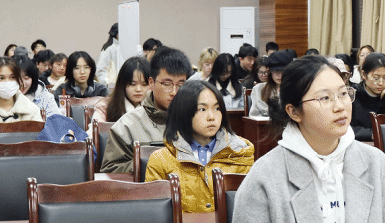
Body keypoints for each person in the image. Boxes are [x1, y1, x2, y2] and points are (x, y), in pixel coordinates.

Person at [231, 55, 385, 223]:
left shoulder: (376, 164)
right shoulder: (265, 176)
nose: (340, 106)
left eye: (343, 94)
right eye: (325, 98)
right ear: (294, 112)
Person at [145, 80, 254, 213]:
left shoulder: (240, 154)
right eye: (202, 109)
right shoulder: (160, 160)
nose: (211, 117)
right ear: (183, 112)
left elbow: (250, 209)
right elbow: (156, 215)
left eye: (217, 108)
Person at [101, 47, 190, 175]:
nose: (174, 92)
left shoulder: (196, 120)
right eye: (167, 84)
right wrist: (151, 164)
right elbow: (110, 172)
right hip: (146, 187)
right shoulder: (126, 126)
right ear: (151, 83)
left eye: (181, 85)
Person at [93, 56, 150, 124]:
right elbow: (95, 129)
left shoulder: (156, 107)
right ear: (122, 84)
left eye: (144, 84)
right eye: (133, 84)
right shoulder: (106, 106)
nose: (138, 89)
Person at [249, 50, 292, 118]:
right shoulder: (258, 89)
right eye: (276, 71)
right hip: (264, 123)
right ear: (270, 72)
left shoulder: (296, 89)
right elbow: (254, 116)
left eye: (283, 71)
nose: (279, 75)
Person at [97, 23, 121, 88]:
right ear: (117, 35)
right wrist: (108, 85)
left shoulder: (122, 48)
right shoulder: (109, 49)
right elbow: (101, 71)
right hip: (112, 87)